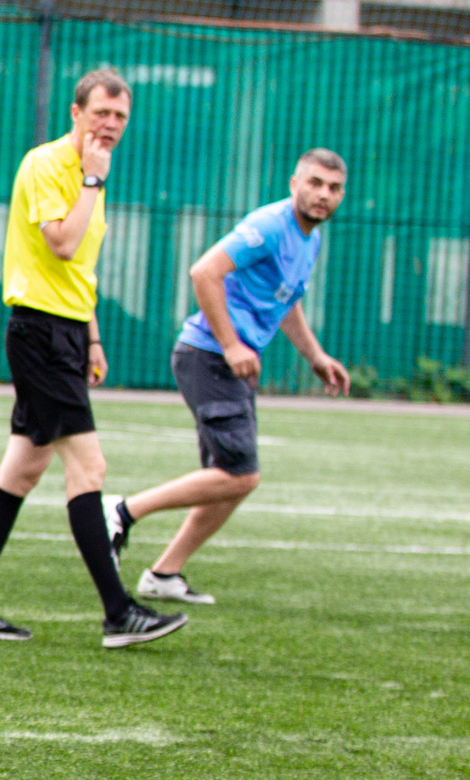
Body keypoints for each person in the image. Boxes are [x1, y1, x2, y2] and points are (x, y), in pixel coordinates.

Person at [0, 67, 187, 649]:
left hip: (67, 333)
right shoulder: (50, 165)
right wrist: (92, 182)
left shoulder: (90, 176)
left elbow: (80, 272)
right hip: (40, 332)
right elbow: (62, 243)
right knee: (89, 469)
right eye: (101, 112)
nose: (111, 124)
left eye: (120, 116)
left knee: (22, 471)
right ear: (76, 113)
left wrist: (92, 339)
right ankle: (118, 612)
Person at [109, 150, 352, 603]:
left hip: (228, 363)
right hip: (208, 357)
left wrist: (315, 355)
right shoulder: (270, 226)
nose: (324, 195)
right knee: (240, 475)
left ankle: (164, 574)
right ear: (294, 183)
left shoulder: (310, 239)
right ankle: (122, 512)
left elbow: (285, 301)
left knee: (229, 479)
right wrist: (232, 344)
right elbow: (204, 272)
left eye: (334, 188)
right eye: (315, 183)